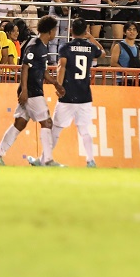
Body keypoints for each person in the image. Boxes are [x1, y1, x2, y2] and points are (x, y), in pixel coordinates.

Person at [0, 15, 61, 166]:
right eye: (55, 30)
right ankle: (46, 160)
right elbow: (25, 67)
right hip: (32, 92)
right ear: (50, 31)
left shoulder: (43, 46)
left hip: (32, 91)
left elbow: (43, 71)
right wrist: (24, 90)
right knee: (47, 123)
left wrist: (55, 83)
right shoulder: (34, 46)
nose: (56, 33)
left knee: (19, 124)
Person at [48, 18, 104, 168]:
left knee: (57, 128)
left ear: (71, 30)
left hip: (68, 94)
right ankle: (90, 160)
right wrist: (91, 38)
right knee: (85, 130)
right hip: (84, 95)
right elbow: (103, 53)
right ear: (85, 31)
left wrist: (58, 86)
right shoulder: (91, 48)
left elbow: (62, 67)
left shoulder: (65, 48)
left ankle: (45, 158)